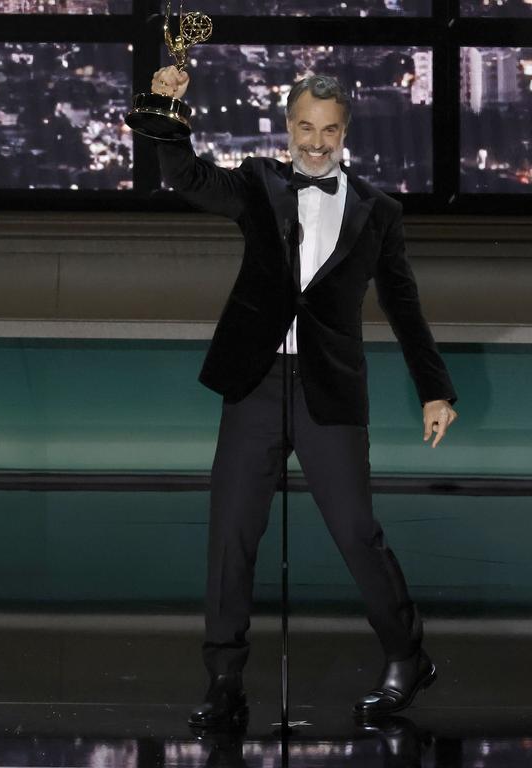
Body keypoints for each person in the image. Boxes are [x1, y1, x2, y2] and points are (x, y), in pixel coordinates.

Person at [149, 69, 458, 726]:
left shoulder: (379, 211)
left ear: (345, 133)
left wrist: (435, 390)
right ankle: (224, 682)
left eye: (330, 131)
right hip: (255, 384)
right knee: (231, 535)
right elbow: (188, 177)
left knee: (356, 533)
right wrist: (168, 109)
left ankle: (408, 656)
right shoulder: (258, 184)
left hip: (330, 391)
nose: (317, 143)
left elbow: (404, 305)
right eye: (306, 128)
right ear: (289, 128)